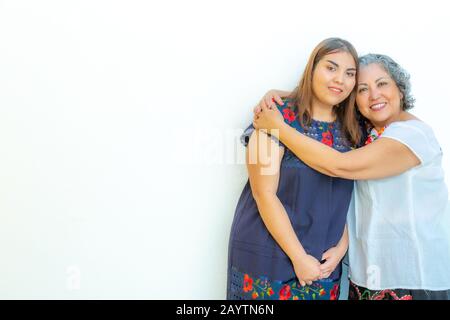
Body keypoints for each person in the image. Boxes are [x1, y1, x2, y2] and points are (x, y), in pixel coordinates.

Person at [253, 53, 450, 300]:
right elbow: (325, 98)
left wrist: (278, 127)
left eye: (382, 84)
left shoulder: (412, 135)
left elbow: (339, 166)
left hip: (413, 275)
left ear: (400, 90)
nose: (374, 95)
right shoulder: (370, 131)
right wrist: (282, 96)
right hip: (367, 276)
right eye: (362, 89)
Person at [227, 38, 363, 300]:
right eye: (331, 68)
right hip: (271, 254)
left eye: (349, 74)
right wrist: (299, 257)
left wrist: (342, 246)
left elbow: (345, 195)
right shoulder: (275, 116)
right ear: (312, 69)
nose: (340, 80)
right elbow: (263, 193)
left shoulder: (353, 130)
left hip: (324, 262)